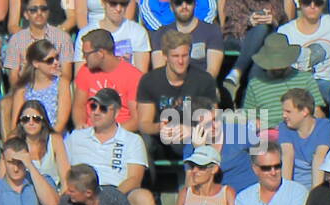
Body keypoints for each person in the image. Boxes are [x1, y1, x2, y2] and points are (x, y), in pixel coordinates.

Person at [65, 86, 156, 205]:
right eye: (93, 106)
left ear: (117, 111)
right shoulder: (76, 137)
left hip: (118, 191)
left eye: (103, 108)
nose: (96, 112)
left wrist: (107, 198)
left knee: (144, 198)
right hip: (81, 193)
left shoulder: (132, 140)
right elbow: (64, 170)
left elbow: (135, 179)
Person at [136, 29, 217, 160]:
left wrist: (191, 130)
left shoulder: (203, 80)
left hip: (192, 136)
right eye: (175, 56)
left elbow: (214, 119)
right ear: (165, 56)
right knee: (142, 143)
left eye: (184, 56)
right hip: (161, 139)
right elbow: (144, 124)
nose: (180, 61)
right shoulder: (150, 81)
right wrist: (160, 127)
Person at [239, 31, 320, 128]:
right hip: (268, 134)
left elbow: (317, 112)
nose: (278, 68)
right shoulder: (255, 84)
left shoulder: (306, 79)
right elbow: (249, 116)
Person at [220, 0, 293, 101]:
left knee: (263, 31)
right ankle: (248, 104)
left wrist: (273, 19)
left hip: (266, 38)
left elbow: (283, 20)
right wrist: (249, 20)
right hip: (239, 35)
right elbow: (231, 16)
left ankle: (237, 72)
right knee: (262, 34)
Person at [75, 29, 143, 133]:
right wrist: (80, 125)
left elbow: (136, 119)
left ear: (101, 53)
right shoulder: (85, 71)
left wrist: (109, 133)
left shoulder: (133, 76)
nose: (83, 57)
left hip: (121, 133)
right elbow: (79, 105)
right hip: (89, 133)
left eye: (86, 54)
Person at [4, 1, 72, 88]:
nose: (39, 13)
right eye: (33, 10)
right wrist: (20, 94)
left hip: (55, 89)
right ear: (26, 14)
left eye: (43, 9)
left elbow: (66, 75)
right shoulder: (16, 40)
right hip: (25, 89)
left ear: (48, 12)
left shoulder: (62, 37)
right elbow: (13, 77)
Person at [9, 38, 70, 132]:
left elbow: (61, 123)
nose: (56, 62)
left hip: (55, 137)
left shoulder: (61, 84)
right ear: (36, 64)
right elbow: (16, 125)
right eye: (50, 60)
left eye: (57, 58)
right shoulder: (23, 90)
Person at [278, 86, 330, 189]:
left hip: (320, 181)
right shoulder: (284, 127)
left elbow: (319, 157)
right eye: (283, 111)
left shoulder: (325, 126)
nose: (284, 115)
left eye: (288, 111)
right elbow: (287, 156)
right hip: (296, 184)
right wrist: (285, 192)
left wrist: (314, 195)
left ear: (304, 111)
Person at [150, 0, 223, 78]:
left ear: (195, 4)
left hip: (203, 86)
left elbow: (212, 71)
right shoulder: (161, 34)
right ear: (171, 7)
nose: (184, 6)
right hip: (170, 87)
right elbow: (159, 72)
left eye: (189, 2)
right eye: (178, 3)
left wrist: (197, 88)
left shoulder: (212, 30)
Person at [76, 0, 151, 75]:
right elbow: (80, 75)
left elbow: (141, 75)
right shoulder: (86, 33)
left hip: (127, 83)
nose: (118, 9)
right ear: (103, 3)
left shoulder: (138, 31)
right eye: (113, 3)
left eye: (123, 4)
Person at [14, 97, 68, 187]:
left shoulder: (55, 140)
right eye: (26, 119)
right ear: (21, 123)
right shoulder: (14, 144)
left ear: (43, 121)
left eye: (36, 119)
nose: (31, 123)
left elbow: (65, 178)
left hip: (55, 194)